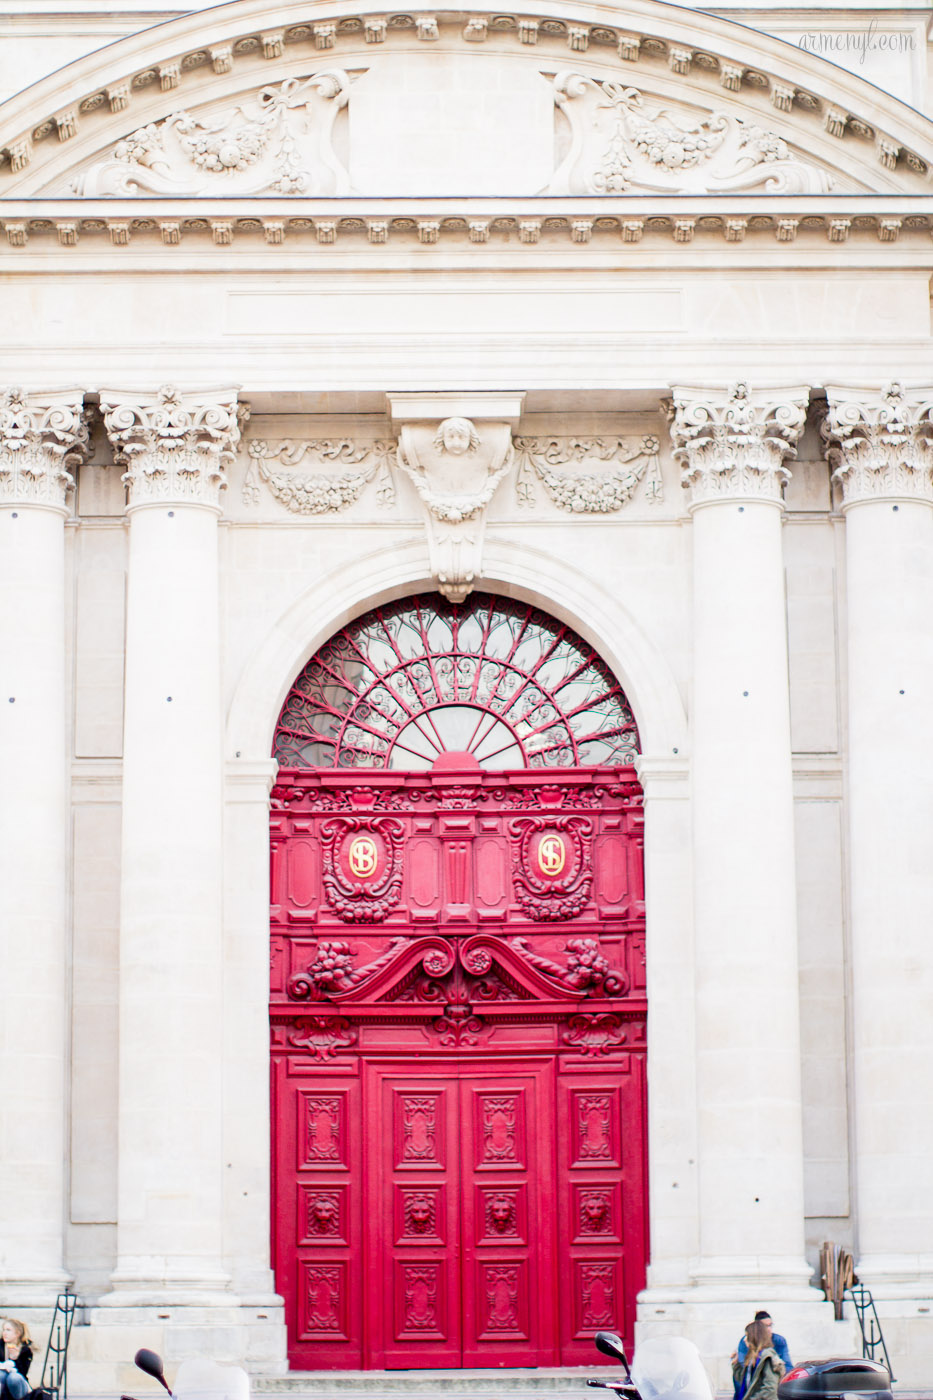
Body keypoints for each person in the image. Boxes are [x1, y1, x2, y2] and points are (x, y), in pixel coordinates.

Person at [732, 1319, 786, 1400]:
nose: (745, 1339)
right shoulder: (753, 1358)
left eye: (747, 1336)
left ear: (754, 1337)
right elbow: (745, 1382)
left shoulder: (767, 1356)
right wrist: (736, 1364)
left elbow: (770, 1389)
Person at [0, 1318, 32, 1400]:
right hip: (2, 1383)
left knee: (13, 1377)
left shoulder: (25, 1350)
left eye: (8, 1330)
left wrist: (16, 1358)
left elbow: (23, 1373)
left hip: (18, 1386)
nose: (4, 1333)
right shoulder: (1, 1346)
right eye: (4, 1330)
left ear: (17, 1333)